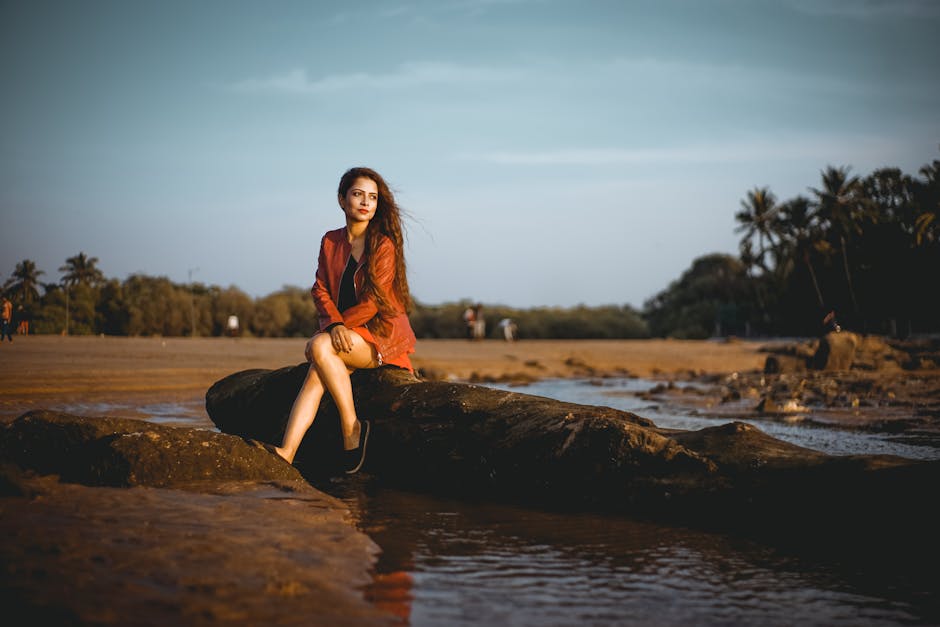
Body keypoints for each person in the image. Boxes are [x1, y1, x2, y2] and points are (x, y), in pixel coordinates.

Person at [271, 167, 416, 474]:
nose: (366, 202)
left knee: (320, 348)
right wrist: (334, 327)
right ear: (342, 199)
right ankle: (287, 451)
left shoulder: (383, 244)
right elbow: (320, 288)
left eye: (373, 197)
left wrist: (335, 329)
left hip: (378, 337)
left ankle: (351, 426)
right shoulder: (330, 241)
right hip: (345, 334)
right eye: (358, 194)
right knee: (316, 372)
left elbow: (374, 303)